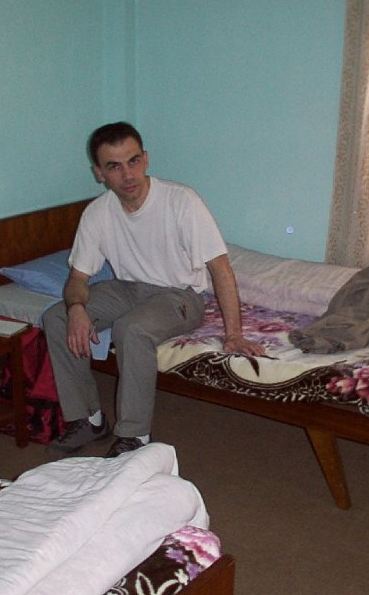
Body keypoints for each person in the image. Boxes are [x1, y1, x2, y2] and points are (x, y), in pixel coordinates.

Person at [43, 121, 265, 458]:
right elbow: (77, 277)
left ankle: (135, 435)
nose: (128, 175)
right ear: (99, 173)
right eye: (114, 166)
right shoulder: (97, 213)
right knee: (57, 317)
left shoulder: (180, 201)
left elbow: (220, 267)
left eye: (133, 161)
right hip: (126, 288)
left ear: (145, 159)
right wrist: (76, 309)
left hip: (179, 296)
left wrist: (233, 334)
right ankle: (88, 419)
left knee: (131, 328)